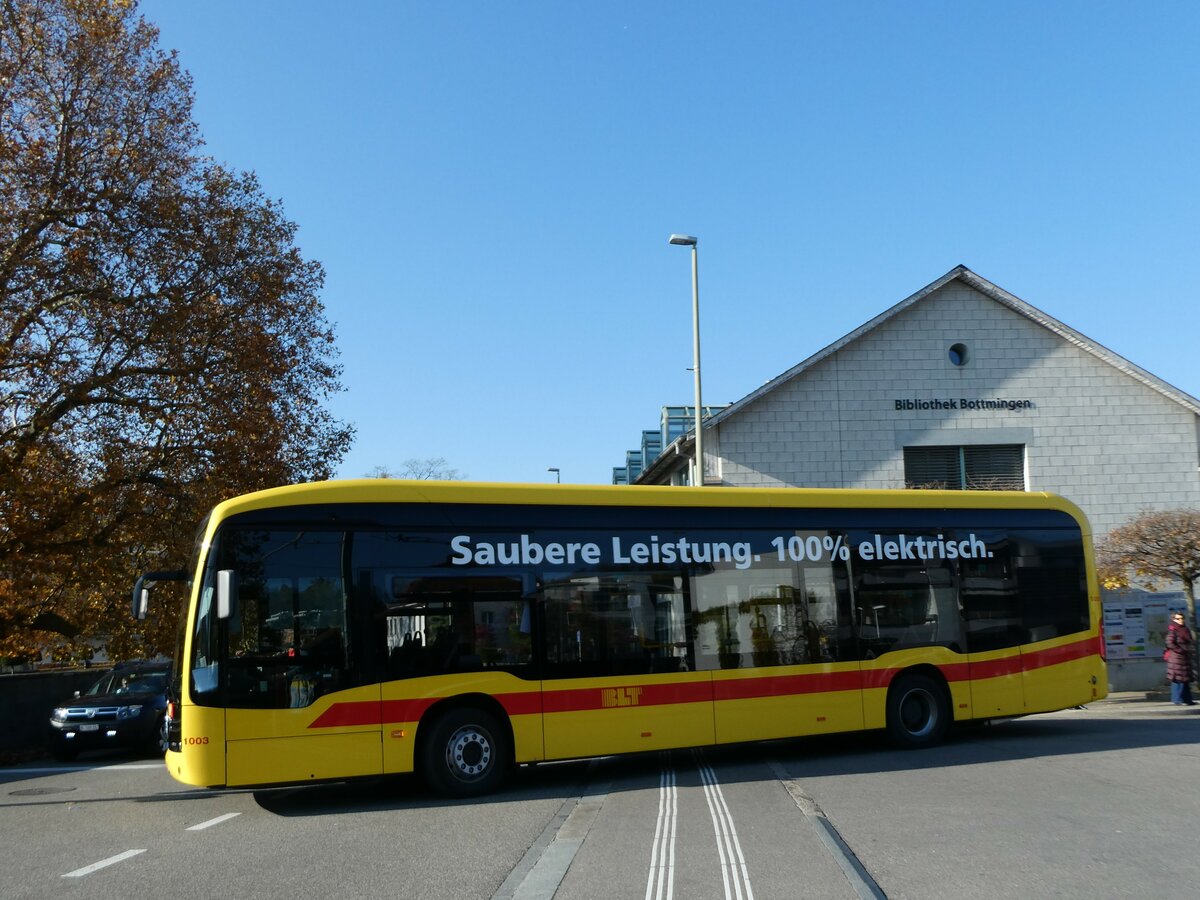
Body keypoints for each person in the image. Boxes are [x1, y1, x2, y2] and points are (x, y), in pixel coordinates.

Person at [1165, 612, 1196, 706]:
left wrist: (1190, 650)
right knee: (1178, 680)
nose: (1181, 620)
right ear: (1173, 620)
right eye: (1178, 619)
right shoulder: (1173, 630)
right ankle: (1178, 699)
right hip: (1176, 659)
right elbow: (1170, 643)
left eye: (1182, 618)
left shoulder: (1185, 629)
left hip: (1185, 658)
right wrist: (1180, 650)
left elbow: (1190, 642)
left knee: (1185, 680)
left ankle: (1187, 699)